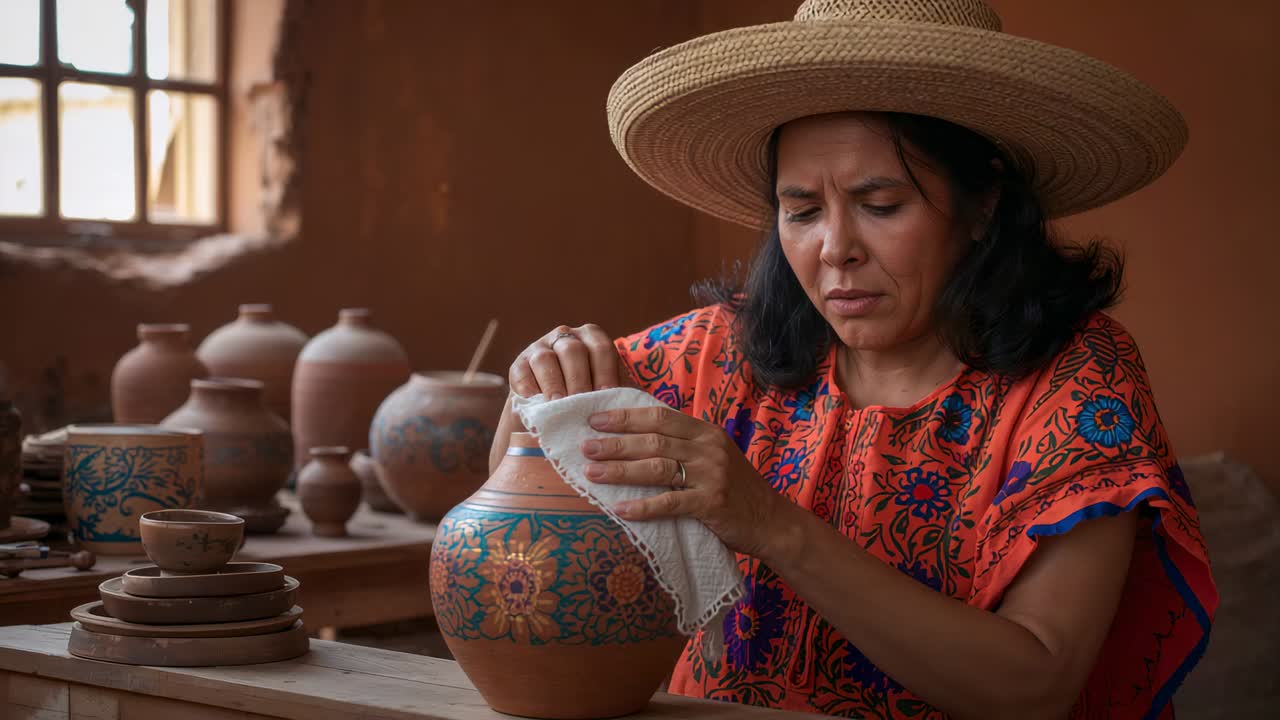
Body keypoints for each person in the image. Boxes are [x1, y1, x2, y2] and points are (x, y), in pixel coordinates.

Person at [492, 1, 1216, 717]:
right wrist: (540, 388)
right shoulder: (714, 354)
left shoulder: (1075, 379)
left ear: (984, 203)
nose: (835, 248)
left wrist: (772, 524)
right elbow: (523, 476)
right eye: (802, 211)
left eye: (881, 204)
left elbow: (1036, 686)